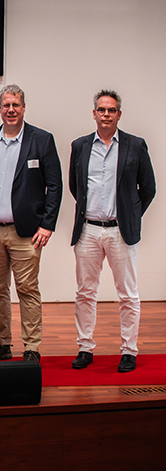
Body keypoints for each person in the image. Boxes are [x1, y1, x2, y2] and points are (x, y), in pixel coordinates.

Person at [0, 84, 62, 363]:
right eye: (6, 105)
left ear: (23, 108)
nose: (11, 110)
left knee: (27, 289)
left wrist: (47, 225)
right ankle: (1, 343)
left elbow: (55, 186)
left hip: (27, 232)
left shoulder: (41, 139)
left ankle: (32, 347)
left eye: (16, 105)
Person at [69, 90, 155, 373]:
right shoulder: (80, 146)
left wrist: (130, 215)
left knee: (128, 294)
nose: (106, 114)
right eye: (102, 110)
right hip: (89, 230)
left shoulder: (135, 145)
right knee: (85, 292)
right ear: (94, 113)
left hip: (121, 231)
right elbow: (75, 186)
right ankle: (85, 347)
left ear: (119, 114)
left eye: (111, 110)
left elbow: (148, 188)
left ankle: (129, 350)